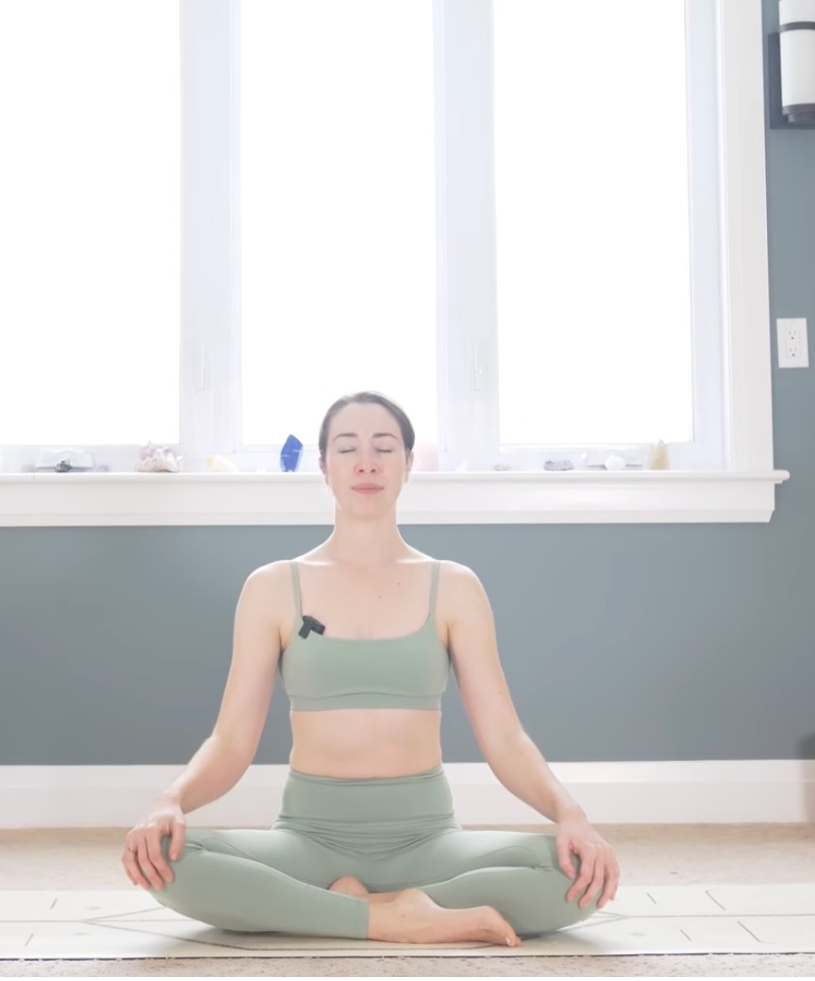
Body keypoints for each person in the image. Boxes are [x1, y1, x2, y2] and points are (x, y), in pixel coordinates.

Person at [120, 390, 620, 946]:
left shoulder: (455, 586)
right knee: (164, 858)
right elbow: (231, 741)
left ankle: (343, 909)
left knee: (578, 875)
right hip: (308, 841)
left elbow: (505, 738)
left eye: (384, 448)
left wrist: (570, 814)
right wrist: (170, 800)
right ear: (324, 466)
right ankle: (397, 917)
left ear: (408, 464)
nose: (366, 463)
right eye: (347, 448)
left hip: (427, 842)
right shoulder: (272, 587)